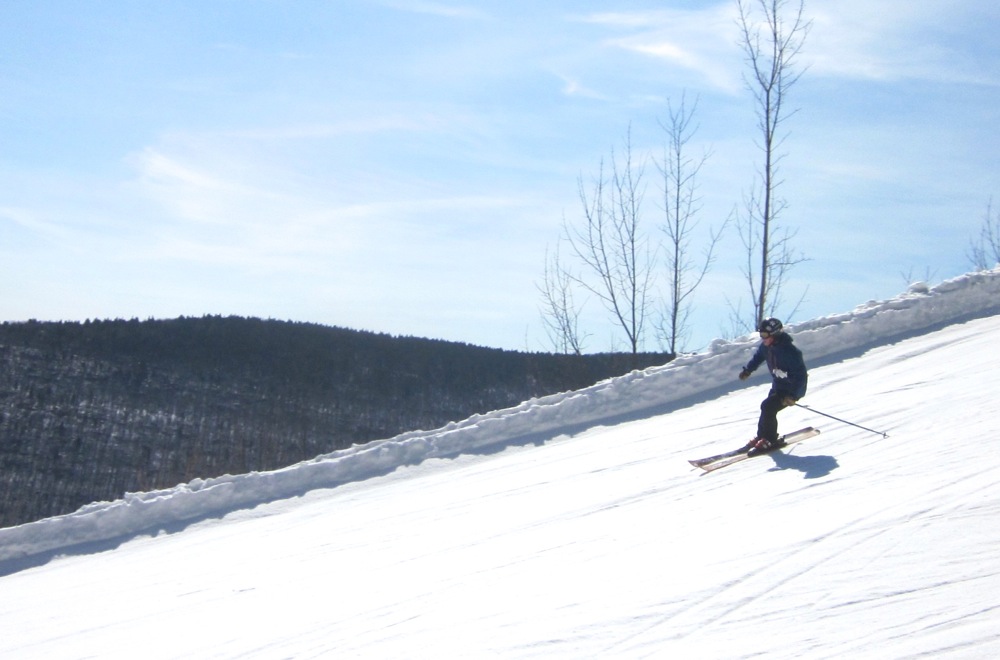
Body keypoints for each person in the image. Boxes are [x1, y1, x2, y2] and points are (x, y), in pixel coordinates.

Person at [738, 317, 808, 455]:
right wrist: (748, 370)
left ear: (775, 334)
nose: (762, 338)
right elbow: (758, 357)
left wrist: (793, 396)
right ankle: (762, 436)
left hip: (790, 389)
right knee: (766, 408)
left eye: (765, 335)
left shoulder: (790, 352)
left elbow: (801, 376)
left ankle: (770, 439)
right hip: (778, 386)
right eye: (761, 335)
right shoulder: (767, 346)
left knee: (767, 407)